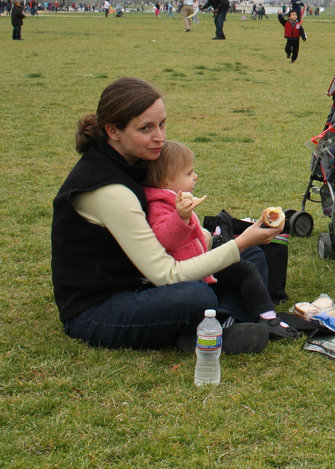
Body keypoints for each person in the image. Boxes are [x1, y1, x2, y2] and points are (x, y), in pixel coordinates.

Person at [52, 77, 282, 350]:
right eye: (146, 128)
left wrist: (226, 242)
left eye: (161, 124)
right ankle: (216, 323)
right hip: (98, 309)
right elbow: (166, 275)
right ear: (113, 131)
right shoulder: (109, 189)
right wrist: (241, 241)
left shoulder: (130, 161)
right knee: (197, 296)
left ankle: (216, 323)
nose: (159, 137)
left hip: (142, 282)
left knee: (251, 256)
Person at [143, 141, 299, 339]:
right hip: (188, 277)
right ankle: (243, 319)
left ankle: (262, 316)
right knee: (242, 270)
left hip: (201, 265)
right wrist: (181, 218)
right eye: (189, 173)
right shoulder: (158, 205)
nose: (195, 176)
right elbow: (165, 239)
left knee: (249, 261)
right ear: (166, 181)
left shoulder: (173, 201)